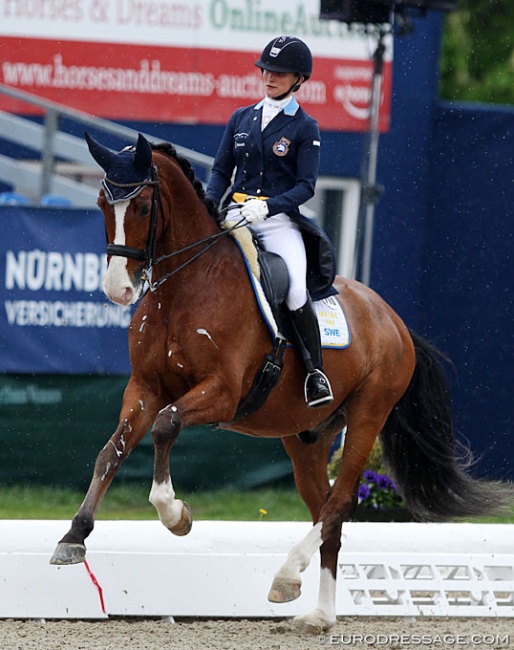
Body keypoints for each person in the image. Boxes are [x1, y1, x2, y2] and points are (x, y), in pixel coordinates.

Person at [205, 35, 334, 408]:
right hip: (234, 216)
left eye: (279, 72)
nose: (269, 77)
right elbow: (220, 169)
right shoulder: (241, 118)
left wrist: (269, 207)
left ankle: (315, 373)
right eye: (266, 70)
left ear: (298, 79)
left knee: (294, 288)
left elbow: (305, 187)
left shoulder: (304, 127)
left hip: (276, 222)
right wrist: (211, 203)